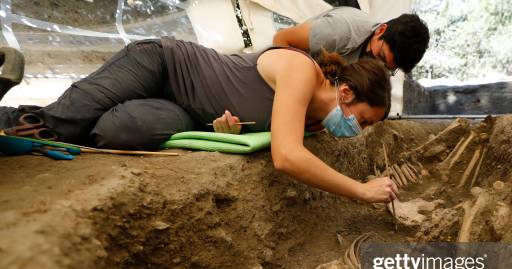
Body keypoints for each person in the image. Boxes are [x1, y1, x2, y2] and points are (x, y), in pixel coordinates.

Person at [0, 39, 398, 203]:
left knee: (121, 131)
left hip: (182, 112)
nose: (356, 132)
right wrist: (360, 191)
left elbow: (240, 122)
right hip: (163, 66)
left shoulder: (314, 123)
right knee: (58, 125)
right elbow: (287, 157)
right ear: (346, 93)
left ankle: (80, 115)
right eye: (362, 122)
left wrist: (219, 131)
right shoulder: (301, 70)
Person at [272, 7, 430, 75]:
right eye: (381, 56)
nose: (378, 66)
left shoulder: (385, 62)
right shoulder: (341, 31)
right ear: (380, 30)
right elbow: (282, 39)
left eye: (388, 68)